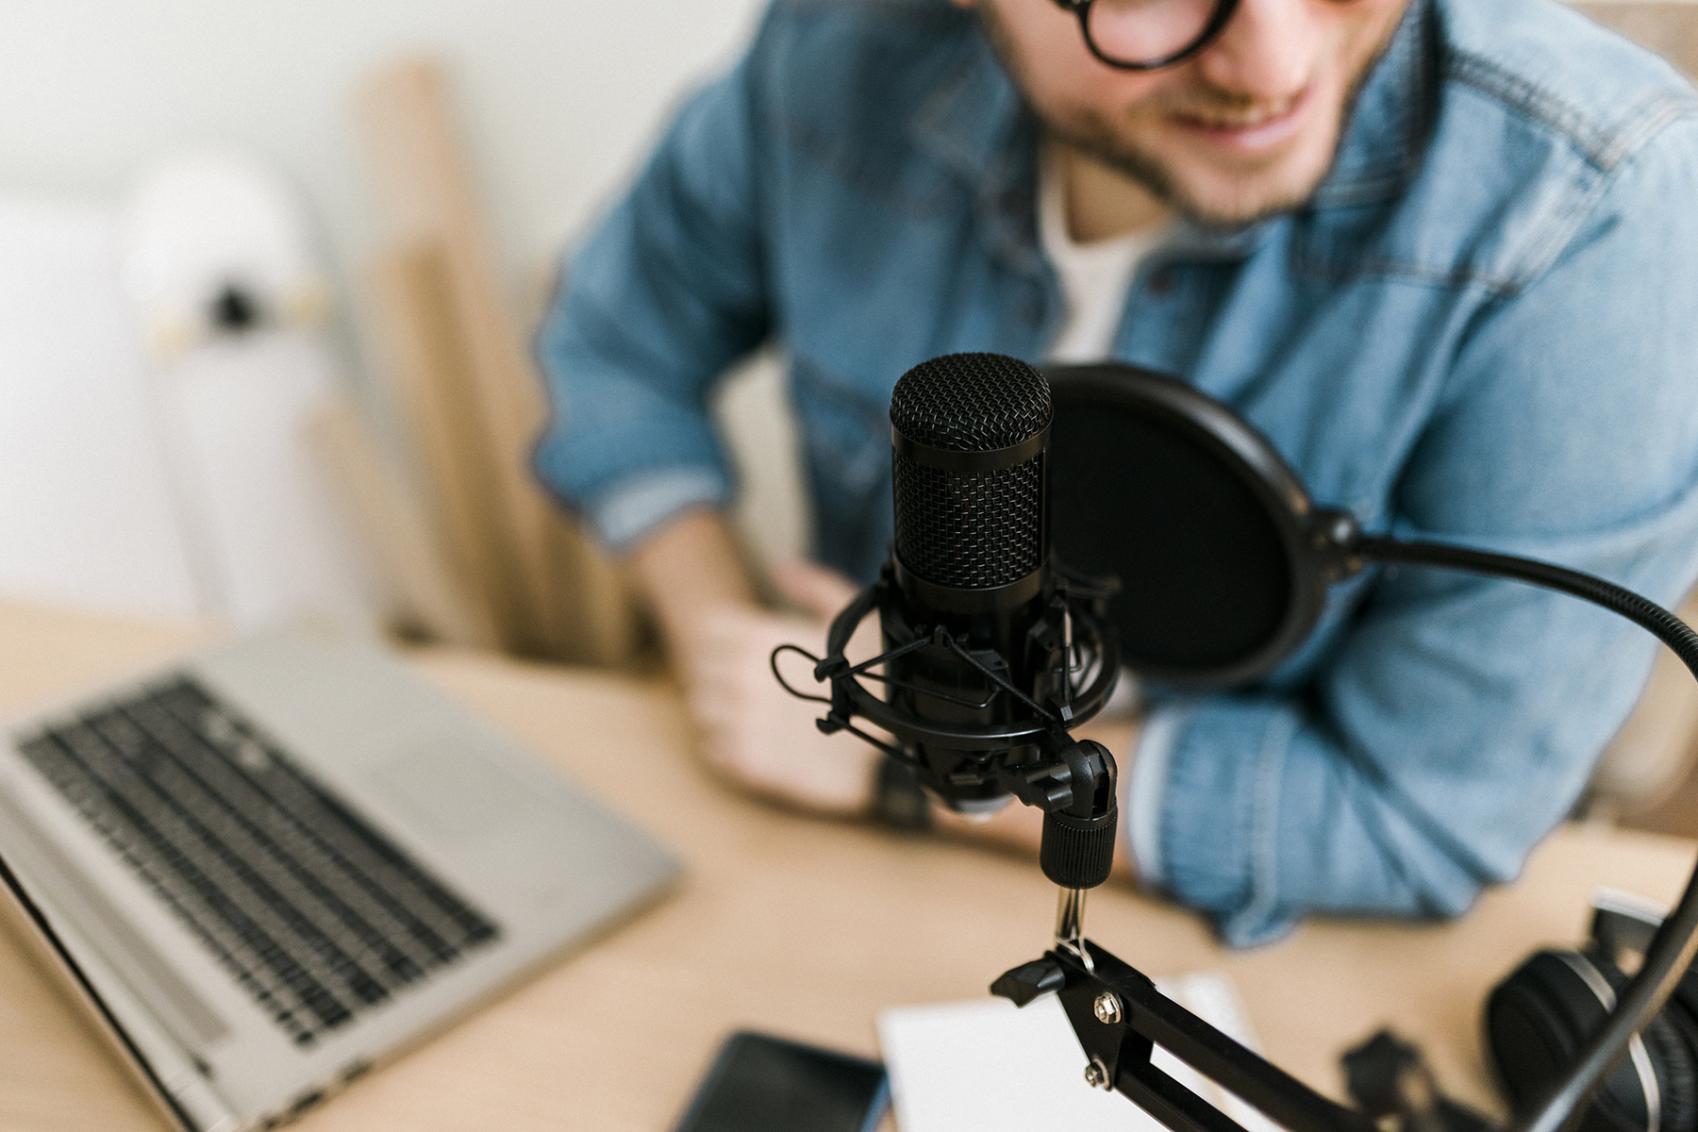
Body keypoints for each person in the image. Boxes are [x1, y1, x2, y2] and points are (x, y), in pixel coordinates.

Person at [533, 0, 1698, 946]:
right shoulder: (837, 47)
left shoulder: (1592, 204)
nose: (1274, 65)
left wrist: (920, 776)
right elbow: (615, 343)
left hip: (1236, 933)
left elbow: (1425, 811)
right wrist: (714, 630)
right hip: (817, 876)